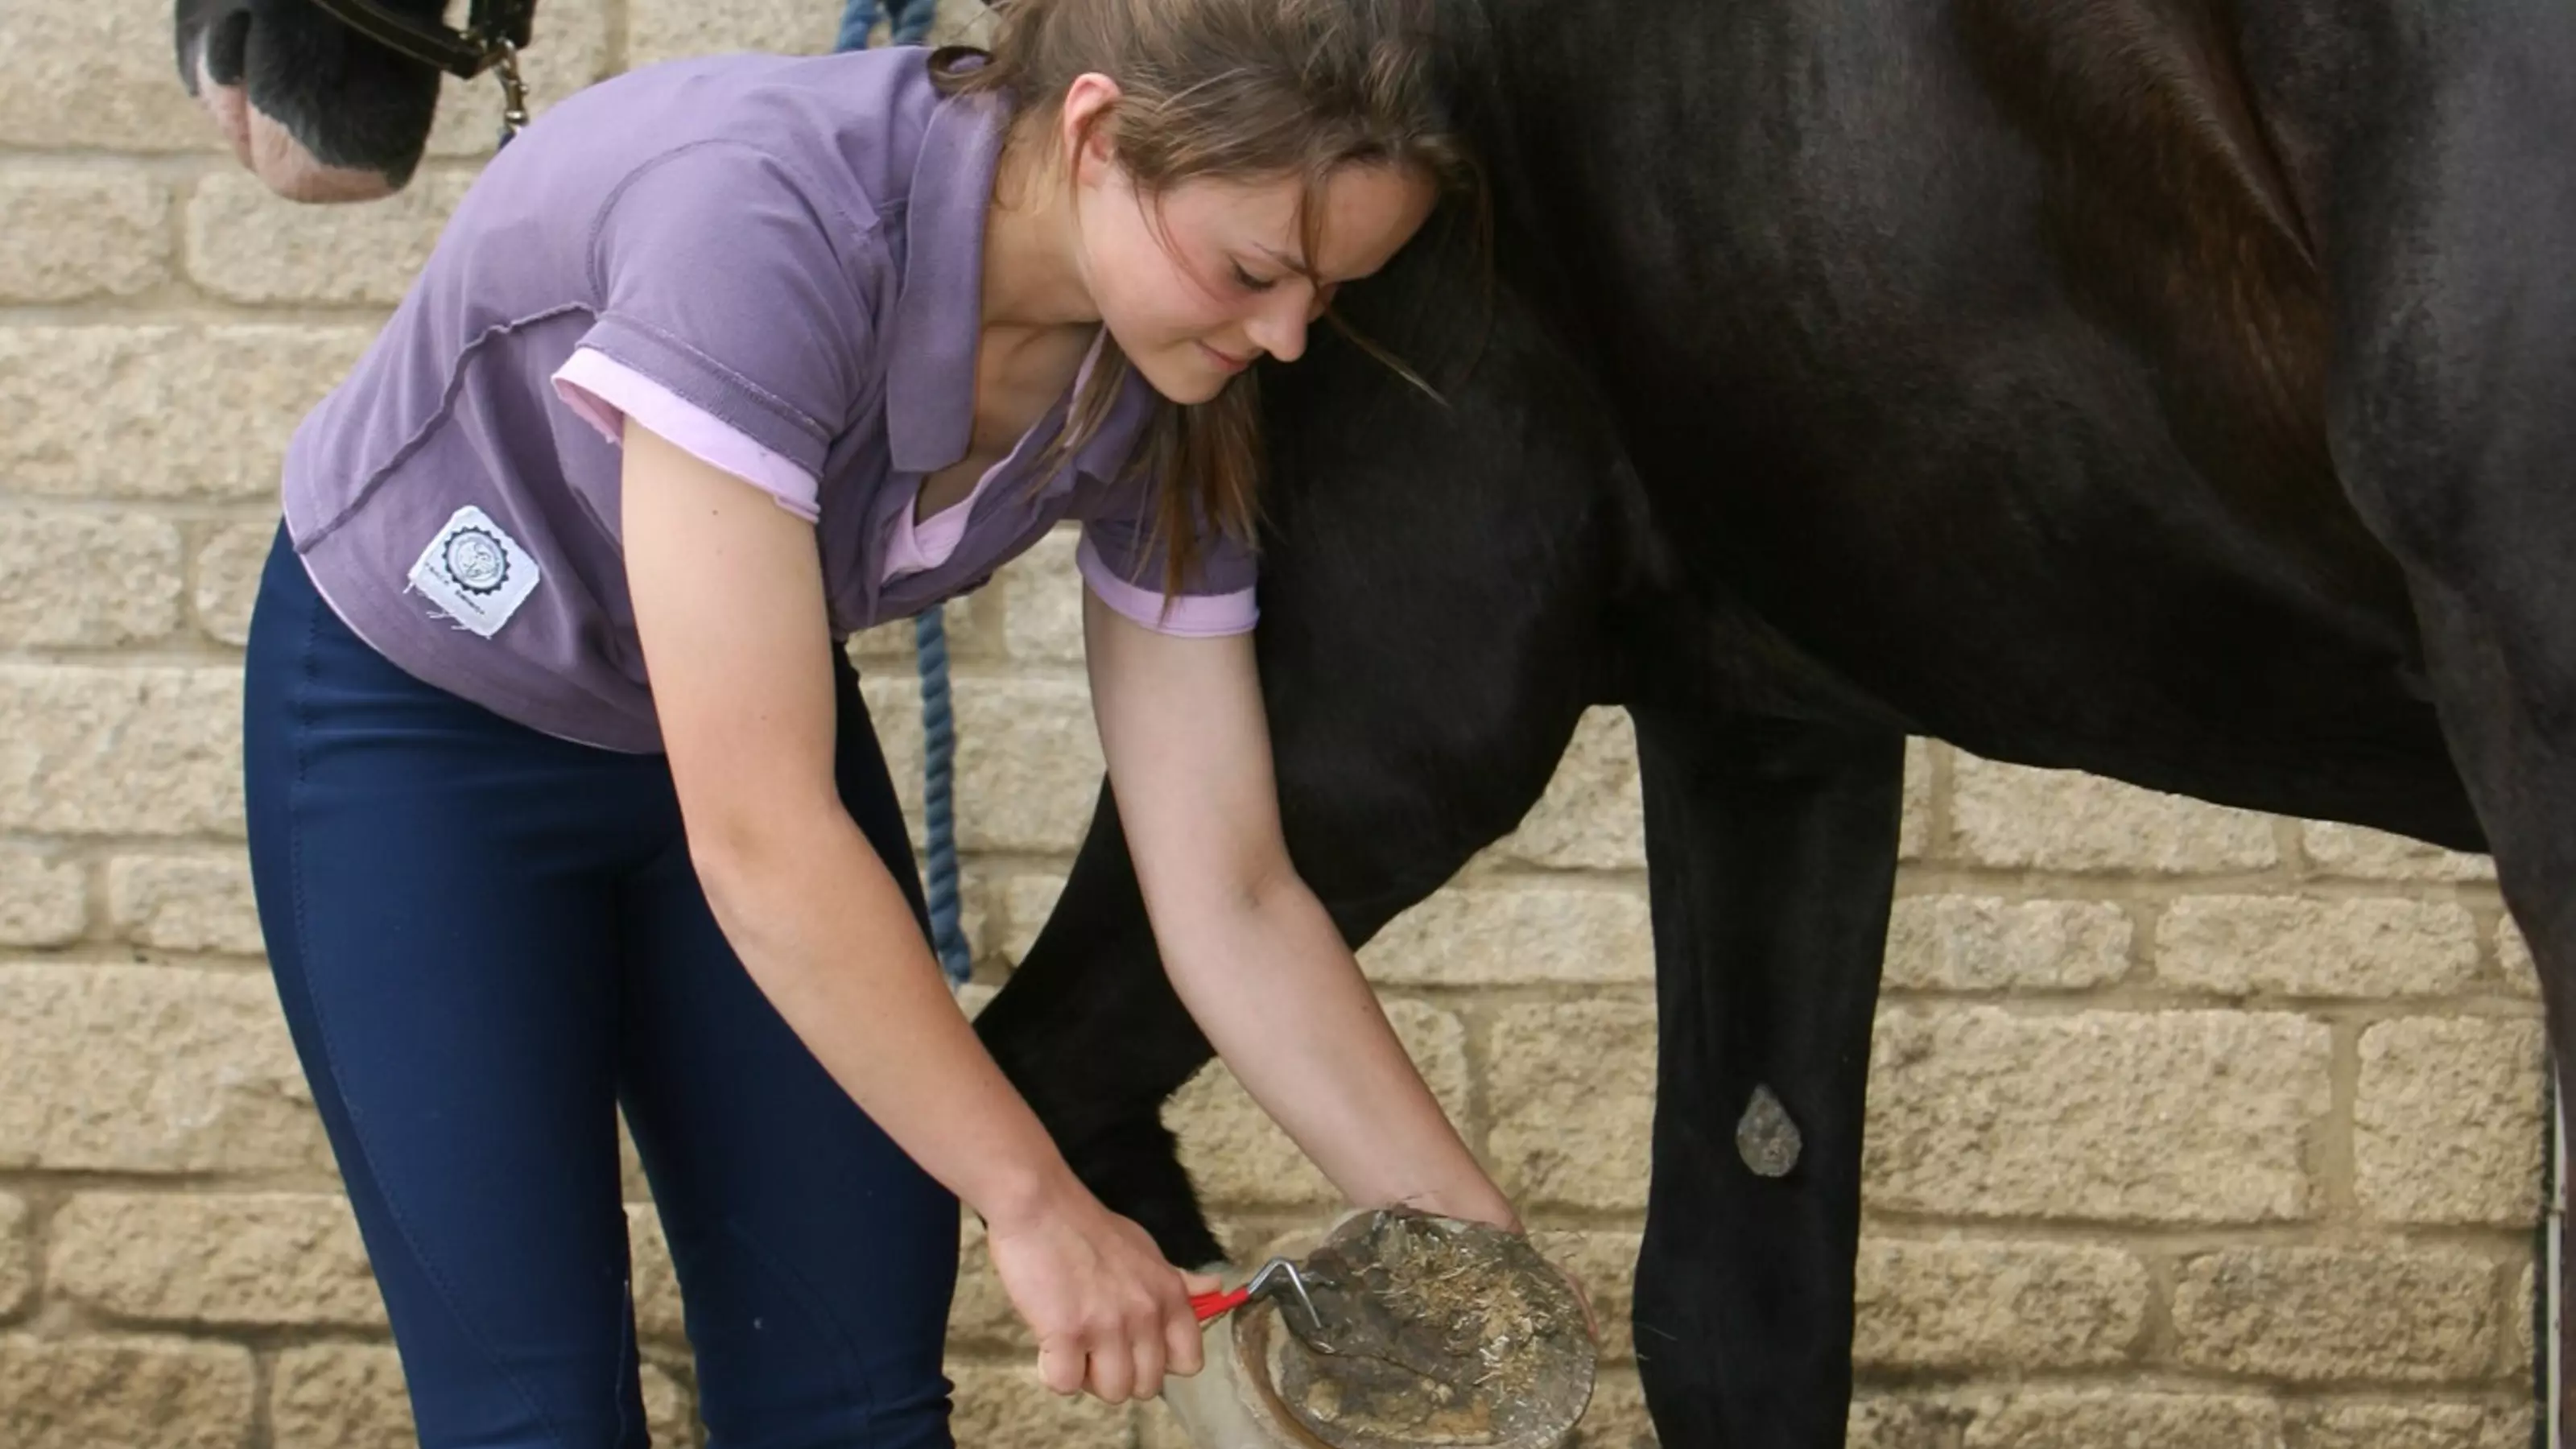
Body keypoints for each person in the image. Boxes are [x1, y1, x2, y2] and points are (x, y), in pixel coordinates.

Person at [239, 0, 1528, 1442]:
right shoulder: (763, 223)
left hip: (736, 753)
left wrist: (1474, 1245)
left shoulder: (1167, 373)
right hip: (431, 740)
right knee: (535, 1414)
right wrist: (1040, 1204)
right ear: (1099, 133)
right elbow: (766, 838)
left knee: (851, 1399)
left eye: (1326, 295)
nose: (1286, 338)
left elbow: (1226, 886)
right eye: (1257, 271)